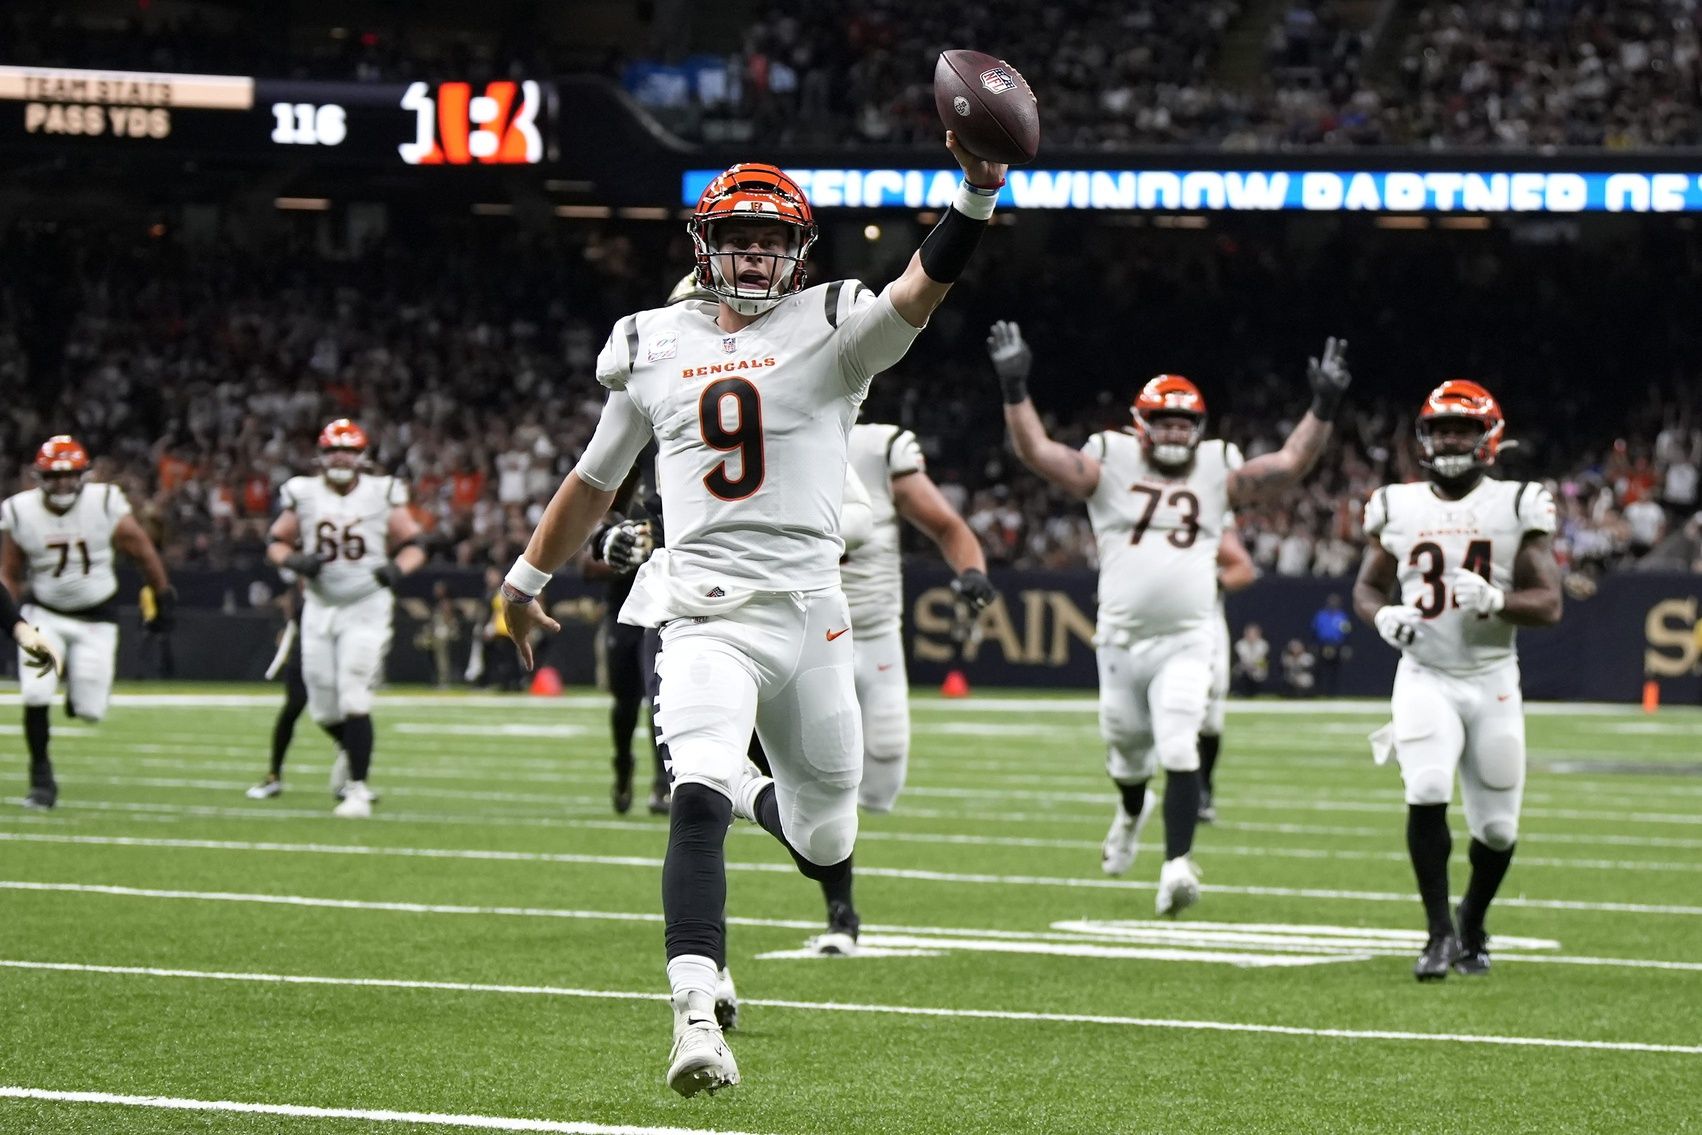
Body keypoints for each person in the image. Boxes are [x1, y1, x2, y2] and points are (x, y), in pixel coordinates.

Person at [500, 143, 1005, 1096]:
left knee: (826, 836)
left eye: (773, 240)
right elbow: (592, 481)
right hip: (701, 611)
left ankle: (745, 788)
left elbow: (919, 289)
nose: (756, 257)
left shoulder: (834, 327)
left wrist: (975, 193)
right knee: (692, 793)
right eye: (738, 238)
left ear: (800, 252)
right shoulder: (654, 343)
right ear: (706, 244)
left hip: (814, 613)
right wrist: (524, 579)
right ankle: (695, 1011)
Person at [987, 323, 1350, 915]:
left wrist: (1324, 405)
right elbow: (1038, 453)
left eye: (1185, 422)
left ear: (1200, 430)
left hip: (1187, 637)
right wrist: (1014, 387)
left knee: (1180, 744)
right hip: (1121, 642)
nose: (1176, 431)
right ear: (1142, 424)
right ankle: (1132, 813)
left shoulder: (1216, 468)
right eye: (1166, 421)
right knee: (1126, 756)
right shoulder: (1110, 460)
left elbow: (1289, 464)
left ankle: (1176, 865)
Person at [1354, 380, 1562, 981]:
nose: (1450, 438)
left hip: (1492, 675)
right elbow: (1368, 587)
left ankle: (1473, 918)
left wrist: (1499, 599)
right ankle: (1438, 933)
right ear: (1424, 436)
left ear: (1487, 438)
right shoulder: (1396, 504)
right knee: (1424, 788)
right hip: (1425, 674)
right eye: (1442, 428)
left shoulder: (1517, 503)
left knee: (1497, 829)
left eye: (1462, 429)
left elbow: (1549, 604)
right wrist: (1383, 614)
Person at [1, 435, 174, 809]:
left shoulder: (105, 502)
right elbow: (10, 571)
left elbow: (141, 548)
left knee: (90, 712)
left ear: (84, 475)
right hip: (43, 612)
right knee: (35, 693)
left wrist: (162, 594)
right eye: (54, 476)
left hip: (97, 616)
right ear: (38, 476)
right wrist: (10, 619)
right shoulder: (19, 510)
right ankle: (41, 778)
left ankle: (77, 693)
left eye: (70, 475)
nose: (63, 483)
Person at [266, 419, 425, 818]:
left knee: (354, 691)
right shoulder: (302, 492)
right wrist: (295, 561)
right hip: (320, 607)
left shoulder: (380, 491)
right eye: (335, 448)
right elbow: (276, 541)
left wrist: (397, 569)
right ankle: (349, 749)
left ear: (362, 457)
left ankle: (357, 789)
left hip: (366, 605)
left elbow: (414, 544)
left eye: (349, 449)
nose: (341, 456)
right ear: (321, 455)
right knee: (322, 707)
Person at [245, 578, 356, 801]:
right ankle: (274, 776)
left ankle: (352, 778)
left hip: (331, 655)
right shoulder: (303, 583)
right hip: (304, 654)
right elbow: (293, 611)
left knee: (337, 715)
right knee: (294, 709)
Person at [1198, 525, 1257, 823]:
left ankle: (1202, 788)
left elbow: (1243, 569)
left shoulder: (1207, 499)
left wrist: (1209, 582)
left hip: (1201, 620)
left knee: (1208, 719)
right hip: (1153, 615)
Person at [1310, 593, 1353, 696]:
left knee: (1336, 670)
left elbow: (1347, 632)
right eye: (1331, 601)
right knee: (1320, 669)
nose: (1333, 604)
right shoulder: (1321, 615)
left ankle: (1334, 692)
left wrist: (1346, 646)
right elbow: (1314, 630)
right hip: (1322, 645)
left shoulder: (1342, 616)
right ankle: (1319, 691)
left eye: (1335, 602)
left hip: (1337, 645)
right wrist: (1314, 645)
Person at [1232, 622, 1270, 696]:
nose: (1250, 635)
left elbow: (1260, 660)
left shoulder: (1263, 644)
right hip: (1244, 668)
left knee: (1260, 668)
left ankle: (1256, 691)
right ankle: (1241, 691)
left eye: (1253, 633)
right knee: (1238, 669)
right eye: (1248, 633)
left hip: (1257, 669)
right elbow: (1243, 659)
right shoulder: (1240, 644)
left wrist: (1254, 666)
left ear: (1258, 634)